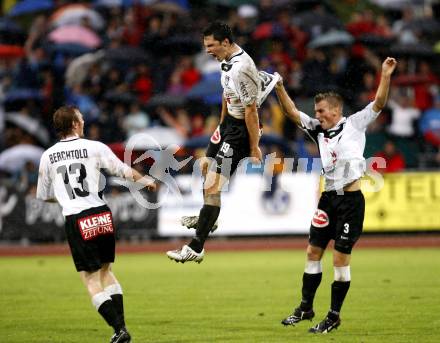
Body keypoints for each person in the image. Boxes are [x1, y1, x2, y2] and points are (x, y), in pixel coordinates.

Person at [274, 57, 397, 333]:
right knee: (312, 251)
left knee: (340, 260)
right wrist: (280, 87)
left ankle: (333, 315)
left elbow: (378, 103)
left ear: (335, 110)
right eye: (316, 112)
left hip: (350, 202)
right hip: (328, 199)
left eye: (320, 111)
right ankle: (306, 307)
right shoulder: (318, 130)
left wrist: (385, 75)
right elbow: (293, 113)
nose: (316, 115)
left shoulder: (354, 124)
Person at [36, 106, 156, 343]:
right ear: (74, 124)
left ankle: (119, 329)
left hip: (77, 217)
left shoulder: (48, 155)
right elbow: (121, 170)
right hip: (101, 214)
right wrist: (145, 180)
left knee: (90, 279)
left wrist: (63, 196)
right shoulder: (95, 147)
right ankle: (120, 328)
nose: (83, 121)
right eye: (80, 119)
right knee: (106, 271)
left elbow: (43, 195)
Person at [166, 21, 279, 263]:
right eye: (205, 45)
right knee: (206, 167)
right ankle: (209, 218)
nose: (207, 50)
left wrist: (254, 146)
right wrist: (219, 126)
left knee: (214, 186)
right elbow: (227, 96)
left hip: (240, 131)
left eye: (211, 45)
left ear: (226, 43)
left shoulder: (242, 68)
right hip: (227, 125)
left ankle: (196, 247)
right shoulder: (226, 62)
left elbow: (251, 110)